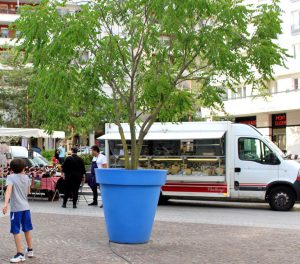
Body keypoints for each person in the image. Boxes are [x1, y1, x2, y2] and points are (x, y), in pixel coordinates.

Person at [2, 158, 34, 263]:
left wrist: (5, 204)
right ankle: (30, 250)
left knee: (16, 230)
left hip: (16, 209)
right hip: (26, 208)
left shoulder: (10, 177)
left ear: (11, 168)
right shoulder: (26, 178)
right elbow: (28, 192)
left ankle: (20, 254)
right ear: (24, 168)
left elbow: (8, 191)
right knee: (27, 229)